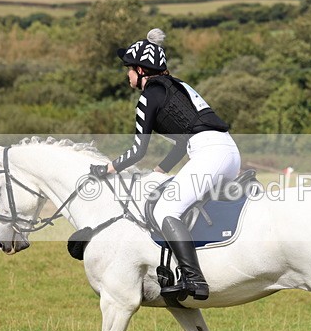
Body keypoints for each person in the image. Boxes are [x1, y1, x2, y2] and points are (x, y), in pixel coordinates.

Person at [96, 28, 241, 301]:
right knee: (185, 204)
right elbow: (182, 141)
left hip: (208, 154)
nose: (126, 75)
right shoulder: (179, 87)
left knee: (166, 208)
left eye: (128, 69)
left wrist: (108, 169)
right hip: (228, 151)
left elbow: (139, 150)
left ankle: (193, 279)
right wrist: (160, 171)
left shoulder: (149, 96)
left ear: (140, 70)